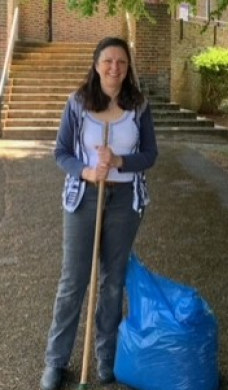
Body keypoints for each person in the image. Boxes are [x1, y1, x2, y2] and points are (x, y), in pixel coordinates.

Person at [41, 37, 158, 390]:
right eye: (108, 61)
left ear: (128, 68)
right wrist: (88, 171)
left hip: (125, 201)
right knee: (73, 282)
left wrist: (120, 160)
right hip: (84, 198)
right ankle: (55, 361)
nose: (114, 68)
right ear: (96, 65)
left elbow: (150, 154)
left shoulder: (138, 105)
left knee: (112, 283)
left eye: (121, 63)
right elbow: (61, 152)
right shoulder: (78, 103)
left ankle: (106, 357)